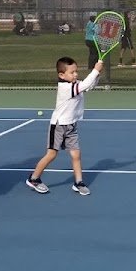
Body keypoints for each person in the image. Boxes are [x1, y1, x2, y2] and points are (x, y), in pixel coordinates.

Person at [25, 57, 105, 197]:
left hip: (71, 125)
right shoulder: (66, 87)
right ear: (61, 75)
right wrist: (95, 70)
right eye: (72, 72)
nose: (75, 74)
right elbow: (84, 85)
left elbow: (89, 86)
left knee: (76, 154)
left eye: (76, 71)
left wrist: (97, 74)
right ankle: (34, 178)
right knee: (51, 154)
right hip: (58, 125)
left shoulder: (75, 84)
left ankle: (79, 182)